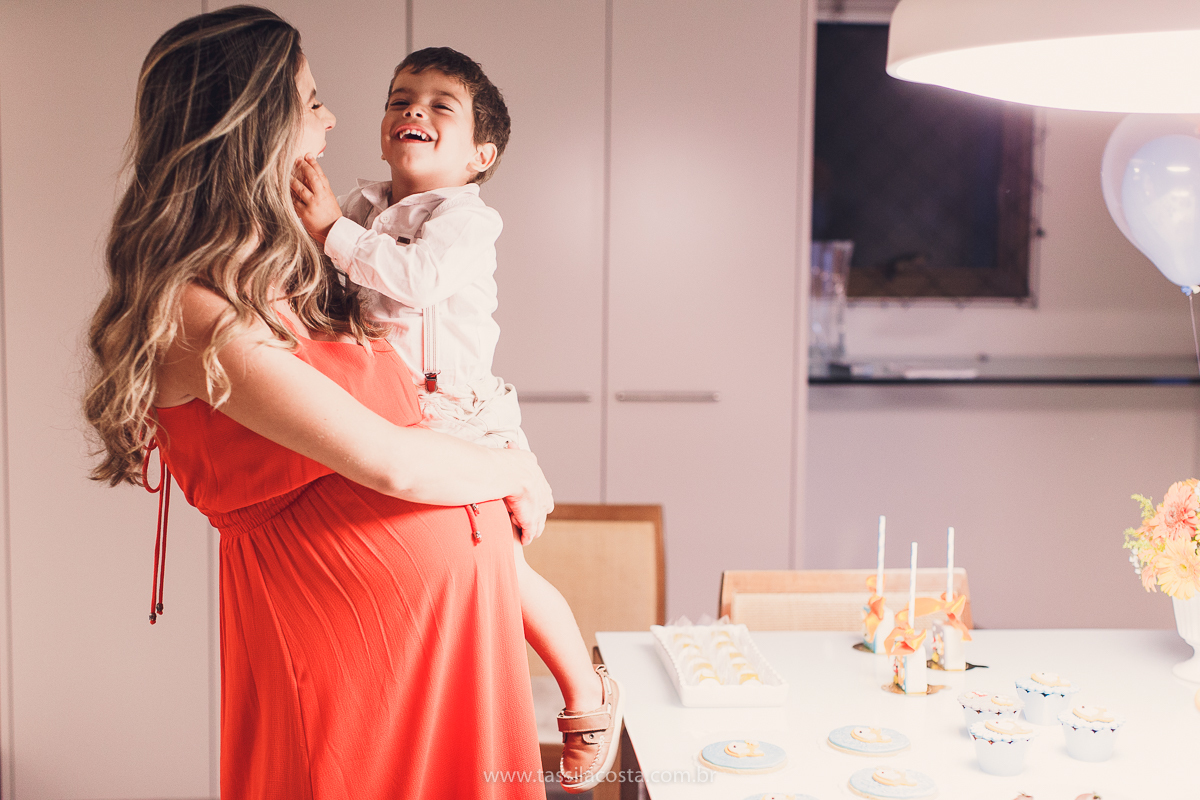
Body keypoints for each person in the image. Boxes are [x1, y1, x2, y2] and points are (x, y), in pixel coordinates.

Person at [83, 7, 553, 798]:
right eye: (310, 101)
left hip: (438, 649)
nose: (333, 118)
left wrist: (503, 456)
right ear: (254, 126)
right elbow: (390, 462)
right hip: (352, 675)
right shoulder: (199, 312)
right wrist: (512, 466)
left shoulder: (285, 265)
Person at [289, 47, 622, 792]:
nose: (415, 111)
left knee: (503, 570)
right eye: (401, 98)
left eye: (443, 105)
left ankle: (587, 693)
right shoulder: (364, 204)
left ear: (482, 154)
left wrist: (329, 229)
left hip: (460, 416)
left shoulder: (468, 219)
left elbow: (414, 279)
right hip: (396, 418)